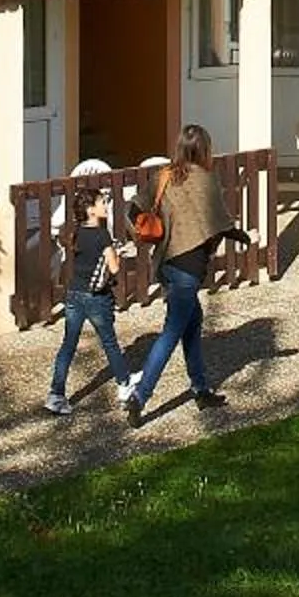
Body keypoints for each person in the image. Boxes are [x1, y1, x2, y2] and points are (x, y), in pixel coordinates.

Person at [124, 124, 239, 424]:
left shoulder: (163, 175)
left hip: (168, 263)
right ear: (204, 149)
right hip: (189, 270)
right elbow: (218, 221)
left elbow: (134, 208)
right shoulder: (206, 179)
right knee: (172, 332)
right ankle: (140, 396)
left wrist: (145, 227)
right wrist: (238, 234)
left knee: (192, 323)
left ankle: (200, 389)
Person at [45, 184, 133, 416]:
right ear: (91, 210)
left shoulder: (76, 233)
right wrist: (119, 255)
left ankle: (56, 394)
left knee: (68, 345)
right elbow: (113, 268)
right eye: (102, 202)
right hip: (96, 298)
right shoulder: (102, 234)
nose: (106, 205)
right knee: (109, 342)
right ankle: (124, 385)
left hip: (74, 294)